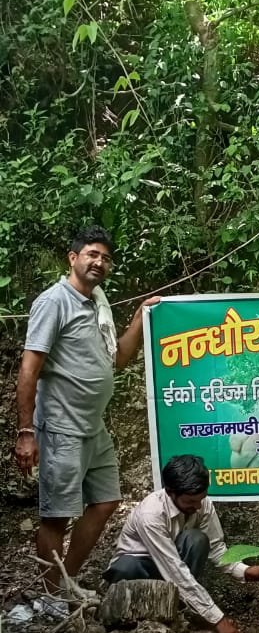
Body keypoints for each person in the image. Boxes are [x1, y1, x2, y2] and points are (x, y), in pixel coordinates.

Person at [15, 225, 158, 591]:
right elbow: (29, 370)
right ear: (73, 257)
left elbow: (117, 359)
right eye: (92, 254)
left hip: (94, 427)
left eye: (106, 258)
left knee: (107, 501)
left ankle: (64, 583)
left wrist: (140, 316)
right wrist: (26, 432)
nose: (99, 262)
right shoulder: (54, 302)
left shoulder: (98, 302)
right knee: (57, 517)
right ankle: (50, 596)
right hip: (61, 427)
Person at [105, 454, 259, 633]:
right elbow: (174, 570)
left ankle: (178, 612)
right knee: (127, 566)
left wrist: (247, 571)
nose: (198, 506)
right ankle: (130, 622)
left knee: (197, 540)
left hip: (170, 570)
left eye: (201, 499)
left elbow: (216, 549)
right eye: (191, 501)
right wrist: (218, 619)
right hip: (140, 570)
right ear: (170, 492)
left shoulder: (201, 504)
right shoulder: (151, 515)